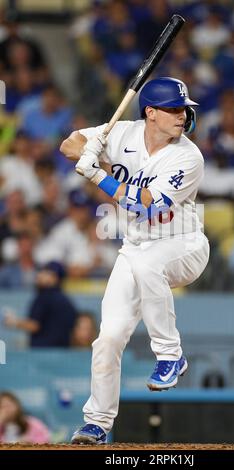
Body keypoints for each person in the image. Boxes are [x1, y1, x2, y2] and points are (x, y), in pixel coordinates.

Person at [60, 76, 210, 444]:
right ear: (151, 113)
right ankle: (97, 423)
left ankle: (170, 355)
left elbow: (147, 203)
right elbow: (68, 144)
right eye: (174, 109)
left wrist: (97, 172)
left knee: (148, 265)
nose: (182, 116)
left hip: (183, 244)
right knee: (107, 338)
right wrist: (89, 146)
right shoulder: (123, 133)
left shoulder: (188, 156)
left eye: (184, 110)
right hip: (136, 246)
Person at [3, 260, 77, 347]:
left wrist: (13, 322)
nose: (40, 275)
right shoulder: (67, 300)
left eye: (45, 272)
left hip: (42, 352)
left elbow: (34, 325)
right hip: (64, 352)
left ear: (55, 278)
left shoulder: (44, 297)